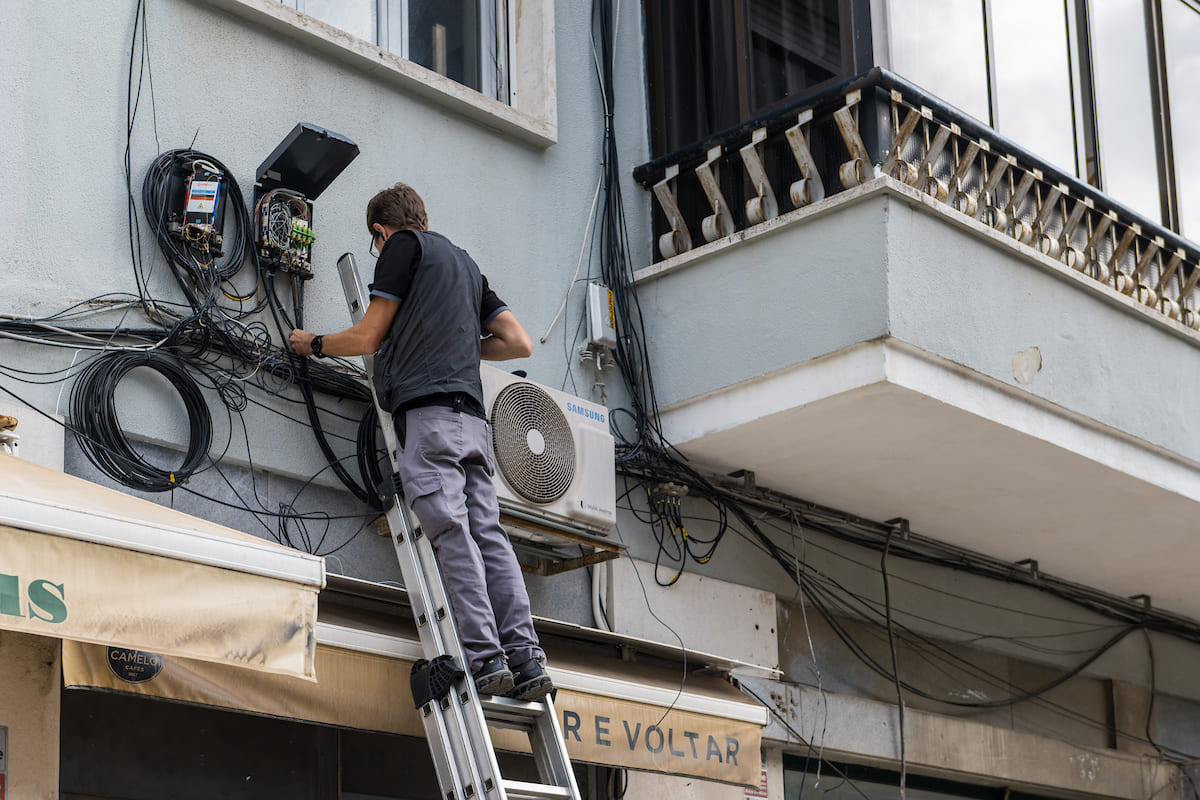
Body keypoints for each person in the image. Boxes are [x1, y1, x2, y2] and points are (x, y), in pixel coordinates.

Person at [289, 183, 552, 701]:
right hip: (475, 425)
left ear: (380, 232)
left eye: (376, 243)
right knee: (489, 538)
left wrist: (312, 344)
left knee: (452, 537)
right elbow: (518, 341)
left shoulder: (401, 250)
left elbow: (367, 338)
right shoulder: (466, 265)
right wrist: (456, 345)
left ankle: (487, 658)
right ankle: (527, 658)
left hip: (429, 422)